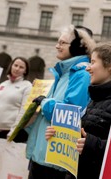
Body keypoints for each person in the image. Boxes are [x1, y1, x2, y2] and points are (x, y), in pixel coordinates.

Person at [45, 41, 111, 179]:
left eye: (93, 62)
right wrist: (58, 135)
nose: (88, 68)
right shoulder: (96, 97)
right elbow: (84, 135)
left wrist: (92, 144)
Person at [25, 25, 96, 179]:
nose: (57, 46)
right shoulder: (64, 73)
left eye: (62, 43)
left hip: (54, 163)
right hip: (43, 156)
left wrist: (44, 102)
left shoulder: (81, 74)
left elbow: (68, 115)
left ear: (79, 46)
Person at [0, 57, 32, 139]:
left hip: (8, 133)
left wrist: (14, 131)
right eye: (15, 65)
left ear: (25, 71)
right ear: (11, 66)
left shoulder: (27, 86)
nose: (17, 69)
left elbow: (24, 111)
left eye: (21, 67)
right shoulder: (3, 84)